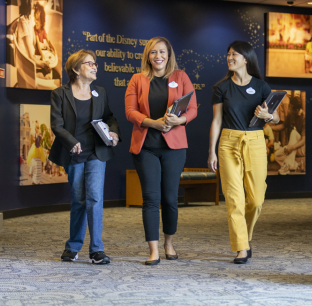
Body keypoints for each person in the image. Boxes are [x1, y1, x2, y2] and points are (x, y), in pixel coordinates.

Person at [125, 37, 198, 266]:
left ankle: (169, 243)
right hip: (146, 147)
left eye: (162, 52)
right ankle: (153, 250)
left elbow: (193, 108)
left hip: (174, 148)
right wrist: (152, 123)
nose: (158, 56)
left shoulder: (181, 77)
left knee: (169, 198)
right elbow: (130, 111)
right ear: (148, 55)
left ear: (169, 54)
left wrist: (180, 120)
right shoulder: (137, 79)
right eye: (153, 52)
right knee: (150, 198)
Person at [207, 41, 280, 264]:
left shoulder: (261, 87)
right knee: (234, 198)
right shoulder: (221, 87)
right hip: (229, 142)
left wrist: (268, 117)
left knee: (256, 199)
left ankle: (245, 238)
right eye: (228, 54)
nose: (229, 57)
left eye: (234, 54)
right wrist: (212, 151)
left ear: (246, 59)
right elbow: (217, 121)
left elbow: (276, 117)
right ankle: (241, 247)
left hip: (256, 141)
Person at [49, 49, 121, 264]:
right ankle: (73, 247)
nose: (94, 67)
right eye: (89, 63)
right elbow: (57, 125)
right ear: (75, 69)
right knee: (79, 200)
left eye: (95, 64)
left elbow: (109, 117)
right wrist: (72, 142)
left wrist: (114, 132)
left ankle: (97, 250)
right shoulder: (60, 93)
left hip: (97, 152)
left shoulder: (100, 92)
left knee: (94, 198)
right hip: (75, 153)